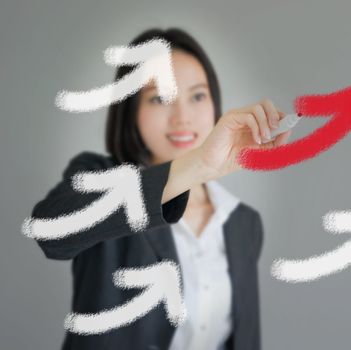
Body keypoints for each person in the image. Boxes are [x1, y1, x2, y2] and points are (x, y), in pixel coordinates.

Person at [29, 27, 292, 350]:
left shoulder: (243, 223)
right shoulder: (98, 178)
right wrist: (197, 165)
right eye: (159, 98)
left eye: (197, 96)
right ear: (131, 111)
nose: (182, 117)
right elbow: (50, 233)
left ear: (215, 104)